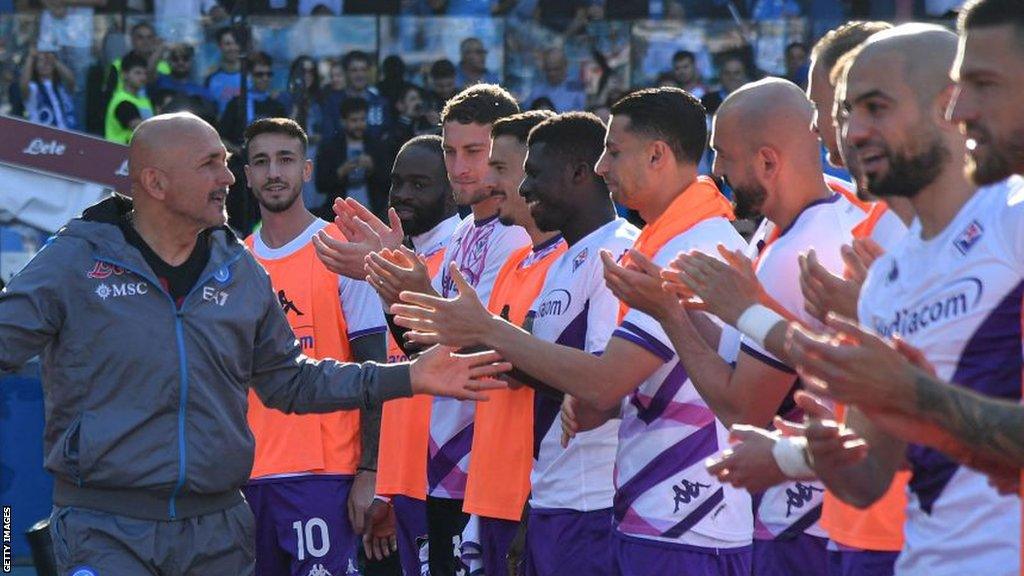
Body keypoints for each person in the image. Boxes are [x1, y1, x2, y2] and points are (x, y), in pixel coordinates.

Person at [0, 111, 509, 574]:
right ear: (155, 182)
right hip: (106, 531)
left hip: (217, 532)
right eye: (210, 165)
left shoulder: (237, 269)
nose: (228, 178)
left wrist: (411, 377)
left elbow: (290, 380)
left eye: (226, 163)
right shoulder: (76, 261)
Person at [392, 87, 753, 576]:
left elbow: (602, 381)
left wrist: (490, 331)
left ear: (657, 155)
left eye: (614, 151)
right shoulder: (638, 246)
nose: (604, 166)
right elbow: (586, 378)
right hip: (626, 511)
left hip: (681, 519)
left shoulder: (684, 249)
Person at [786, 25, 1024, 574]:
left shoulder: (1011, 219)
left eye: (875, 107)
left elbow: (922, 404)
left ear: (948, 107)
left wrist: (916, 396)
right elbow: (871, 478)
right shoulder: (888, 278)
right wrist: (820, 452)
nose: (853, 131)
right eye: (846, 112)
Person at [318, 84, 528, 575]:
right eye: (451, 151)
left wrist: (402, 285)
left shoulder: (516, 236)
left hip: (487, 468)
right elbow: (419, 344)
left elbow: (489, 354)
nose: (459, 166)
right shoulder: (461, 233)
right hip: (442, 469)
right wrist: (389, 280)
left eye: (475, 152)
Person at [241, 117, 389, 576]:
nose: (273, 173)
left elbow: (374, 368)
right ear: (246, 175)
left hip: (326, 478)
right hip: (249, 481)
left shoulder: (342, 249)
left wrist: (369, 471)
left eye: (285, 160)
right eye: (261, 162)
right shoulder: (235, 261)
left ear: (306, 170)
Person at [447, 109, 565, 575]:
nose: (487, 179)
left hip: (535, 498)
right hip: (492, 493)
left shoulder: (572, 263)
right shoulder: (519, 263)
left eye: (501, 168)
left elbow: (532, 373)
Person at [360, 135, 461, 576]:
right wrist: (386, 487)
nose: (402, 194)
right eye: (397, 182)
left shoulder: (460, 254)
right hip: (405, 485)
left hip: (451, 480)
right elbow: (399, 381)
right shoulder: (401, 258)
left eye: (419, 184)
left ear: (453, 187)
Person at [315, 97, 391, 218]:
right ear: (343, 122)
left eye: (362, 120)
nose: (359, 125)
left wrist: (372, 168)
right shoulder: (330, 147)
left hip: (373, 213)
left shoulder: (377, 145)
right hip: (339, 215)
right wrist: (341, 172)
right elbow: (321, 185)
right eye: (354, 121)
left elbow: (388, 183)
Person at [220, 52, 288, 152]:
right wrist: (239, 151)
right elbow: (221, 138)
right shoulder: (237, 103)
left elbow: (285, 139)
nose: (265, 78)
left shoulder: (277, 106)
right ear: (250, 76)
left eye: (268, 74)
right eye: (259, 75)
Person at [19, 43, 78, 130]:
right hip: (42, 137)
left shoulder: (60, 87)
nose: (45, 64)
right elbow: (23, 86)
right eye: (41, 61)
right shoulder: (33, 88)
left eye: (47, 61)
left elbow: (71, 81)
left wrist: (54, 60)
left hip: (66, 134)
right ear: (35, 66)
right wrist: (31, 58)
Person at [105, 52, 154, 144]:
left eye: (145, 73)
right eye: (137, 73)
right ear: (124, 74)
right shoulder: (122, 101)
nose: (143, 77)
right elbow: (141, 129)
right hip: (119, 153)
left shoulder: (144, 100)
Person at [152, 42, 215, 108]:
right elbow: (150, 71)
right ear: (169, 61)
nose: (180, 62)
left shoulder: (202, 91)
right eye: (175, 59)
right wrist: (163, 47)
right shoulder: (161, 81)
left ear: (191, 61)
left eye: (185, 58)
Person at [526, 47, 586, 112]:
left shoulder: (577, 90)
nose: (552, 73)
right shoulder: (536, 92)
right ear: (543, 67)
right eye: (549, 69)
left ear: (565, 65)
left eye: (556, 69)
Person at [205, 27, 243, 116]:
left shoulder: (252, 75)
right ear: (219, 46)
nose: (233, 48)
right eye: (228, 44)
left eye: (236, 43)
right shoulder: (211, 78)